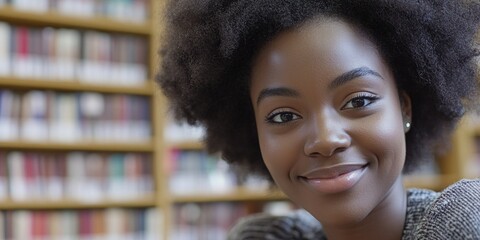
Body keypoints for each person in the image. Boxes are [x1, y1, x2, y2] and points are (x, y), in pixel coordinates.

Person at [157, 0, 480, 239]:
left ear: (404, 108)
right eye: (283, 116)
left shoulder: (460, 224)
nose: (326, 139)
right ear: (254, 131)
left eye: (359, 101)